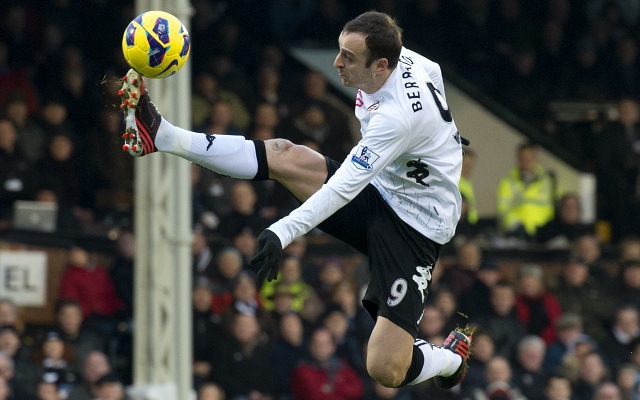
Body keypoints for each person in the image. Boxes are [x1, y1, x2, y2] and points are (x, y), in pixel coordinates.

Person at [118, 11, 472, 389]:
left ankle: (451, 359)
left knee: (386, 368)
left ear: (381, 65)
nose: (336, 63)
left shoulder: (397, 119)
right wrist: (445, 136)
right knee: (286, 154)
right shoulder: (409, 61)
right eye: (339, 50)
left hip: (416, 229)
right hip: (384, 190)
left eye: (348, 58)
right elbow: (432, 72)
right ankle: (162, 135)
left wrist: (282, 231)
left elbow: (341, 191)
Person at [496, 142, 555, 240]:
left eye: (530, 158)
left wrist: (548, 227)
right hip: (518, 233)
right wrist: (515, 226)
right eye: (523, 158)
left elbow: (551, 207)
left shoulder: (546, 181)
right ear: (518, 158)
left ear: (535, 158)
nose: (526, 161)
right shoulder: (508, 182)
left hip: (544, 233)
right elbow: (503, 210)